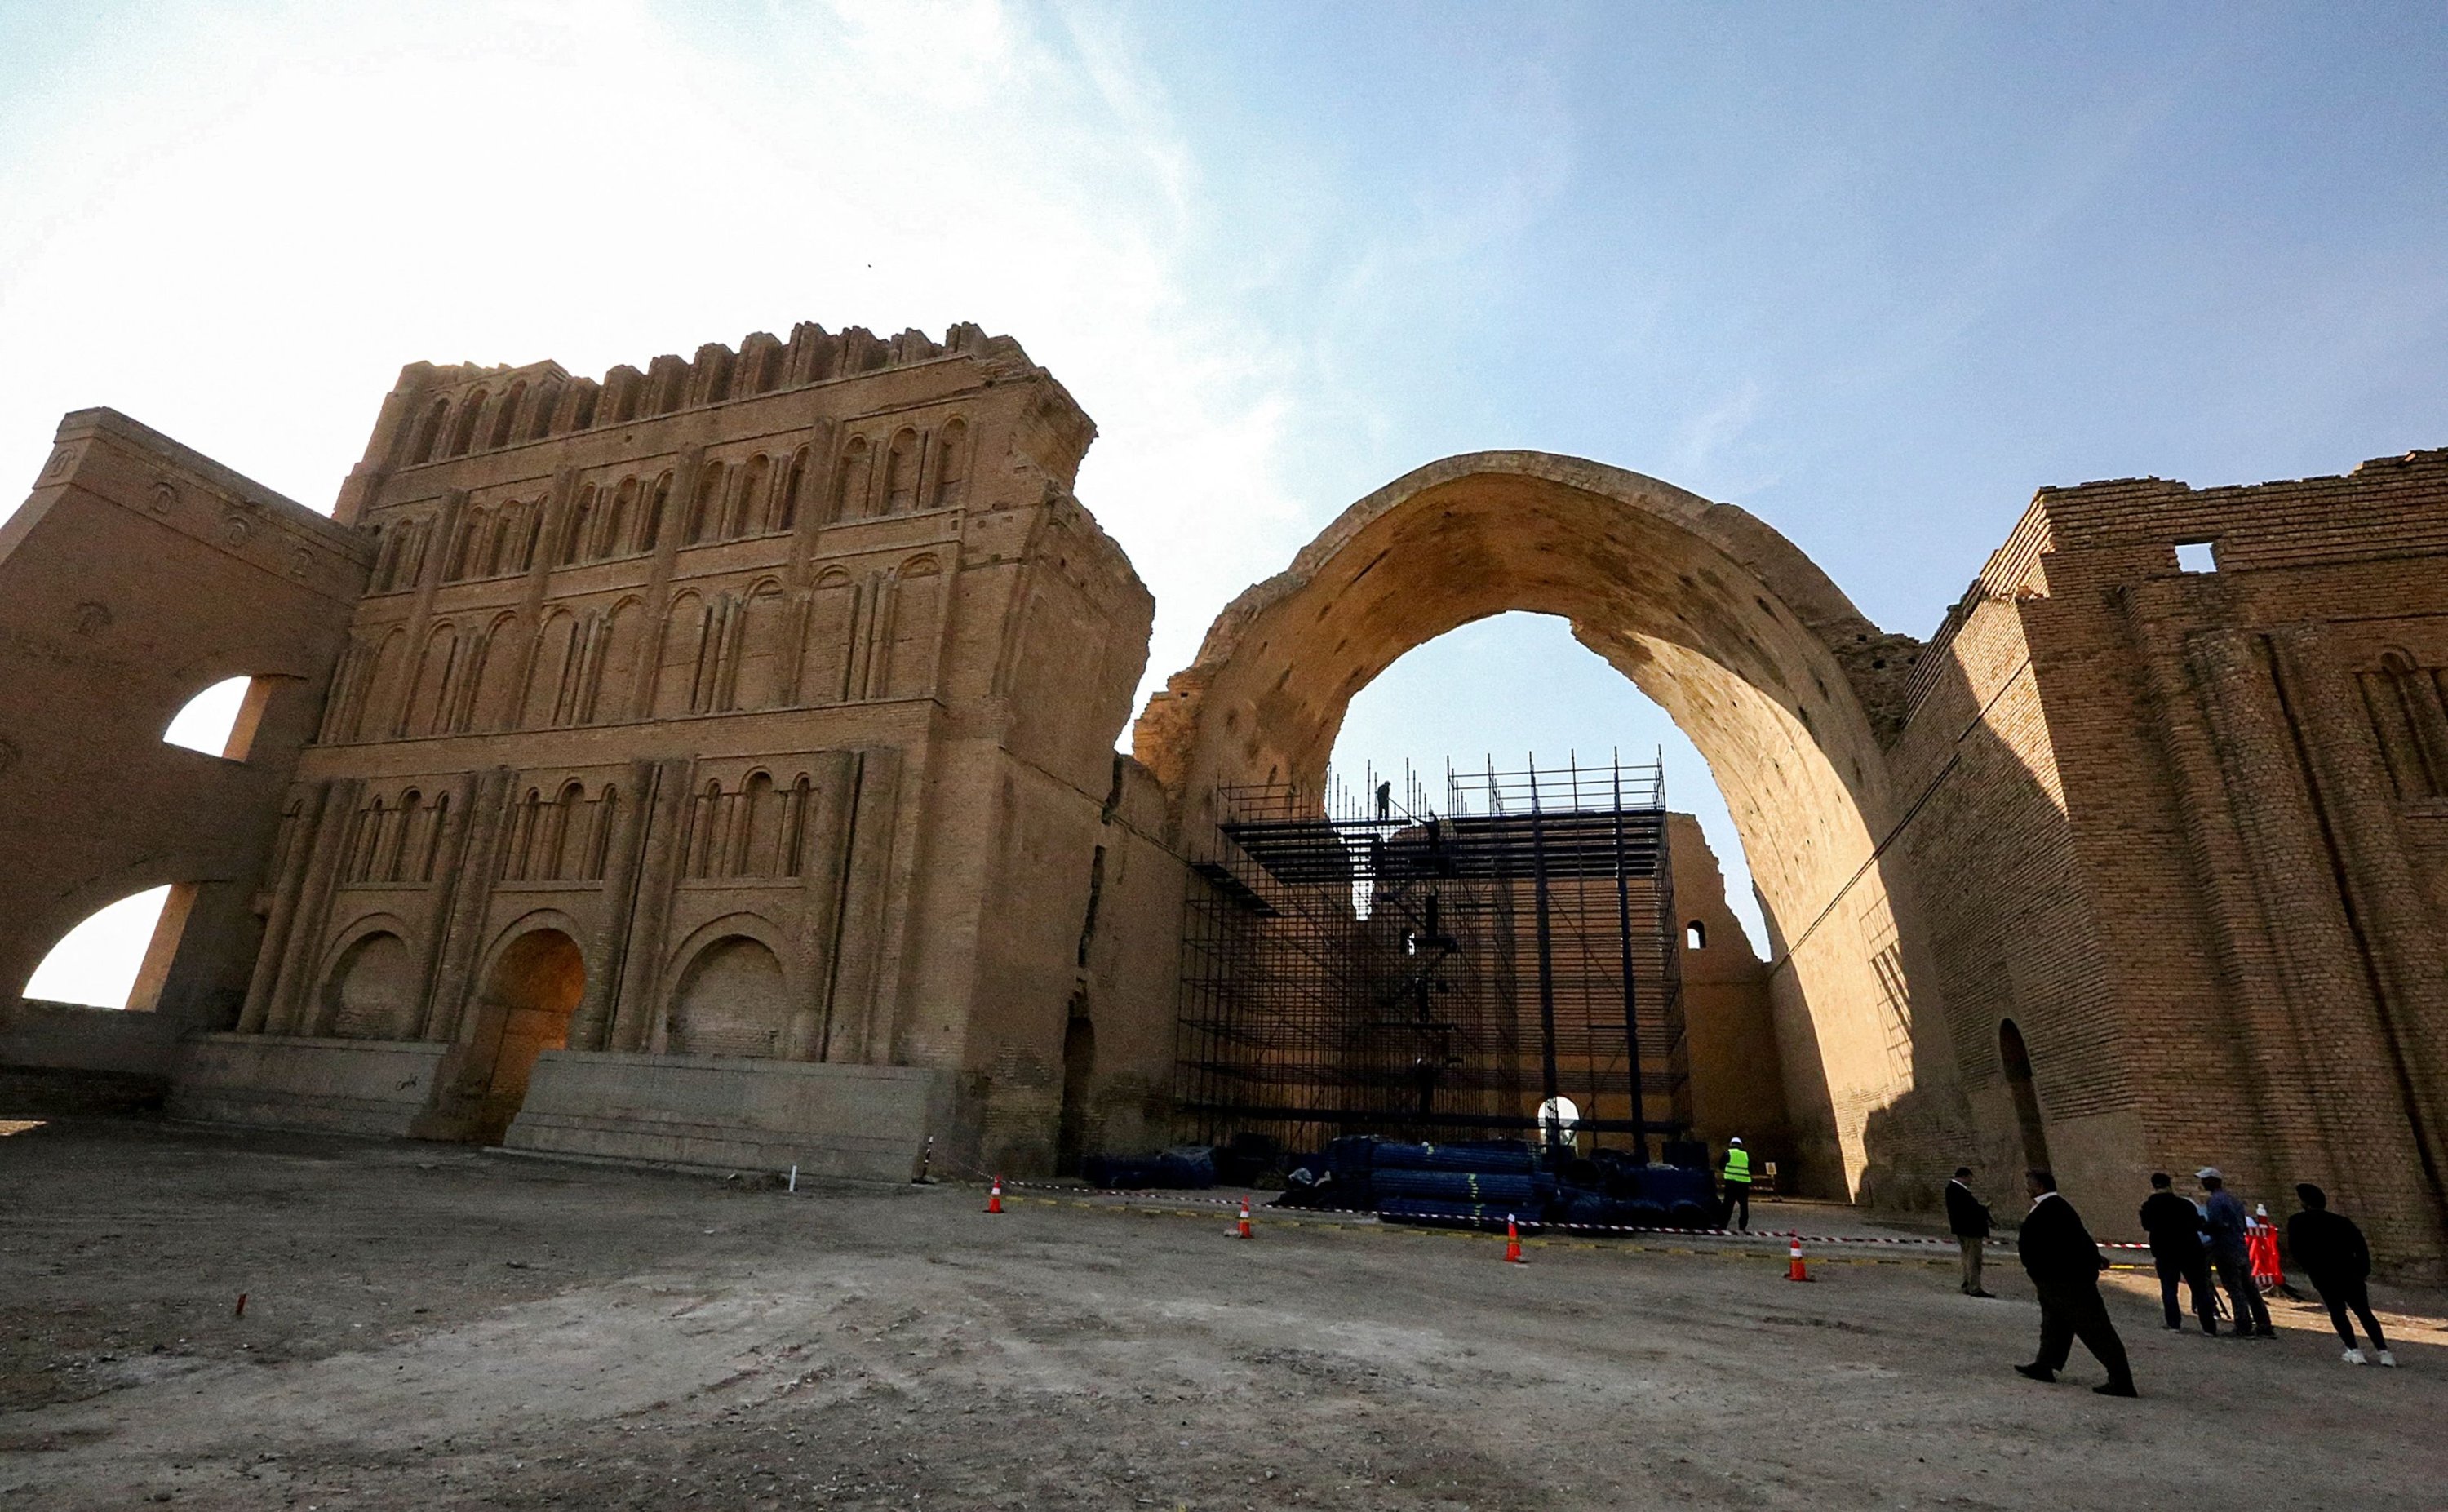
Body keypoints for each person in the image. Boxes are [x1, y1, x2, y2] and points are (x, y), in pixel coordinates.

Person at [2014, 1168, 2137, 1397]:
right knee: (2054, 1324)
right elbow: (2076, 1238)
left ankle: (2121, 1379)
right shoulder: (2055, 1208)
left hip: (2067, 1282)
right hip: (2055, 1280)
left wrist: (2091, 1260)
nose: (2027, 1188)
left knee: (2094, 1328)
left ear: (2040, 1186)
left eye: (2029, 1184)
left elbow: (2075, 1240)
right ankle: (2045, 1365)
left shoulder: (2053, 1208)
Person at [2287, 1184, 2397, 1367]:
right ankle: (2384, 1352)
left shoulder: (2298, 1221)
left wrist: (2311, 1267)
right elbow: (2361, 1247)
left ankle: (2354, 1350)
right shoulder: (2342, 1222)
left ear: (2304, 1203)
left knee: (2337, 1311)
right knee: (2364, 1313)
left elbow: (2296, 1250)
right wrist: (2362, 1270)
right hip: (2350, 1273)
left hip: (2323, 1274)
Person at [2198, 1168, 2275, 1338]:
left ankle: (2244, 1326)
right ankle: (2264, 1325)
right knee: (2250, 1288)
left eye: (2204, 1180)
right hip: (2239, 1247)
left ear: (2212, 1181)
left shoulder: (2215, 1201)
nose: (2202, 1183)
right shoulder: (2234, 1200)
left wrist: (2202, 1226)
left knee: (2235, 1288)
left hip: (2224, 1248)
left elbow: (2217, 1224)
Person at [2138, 1172, 2217, 1333]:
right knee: (2199, 1288)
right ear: (2170, 1185)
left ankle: (2174, 1323)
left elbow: (2147, 1226)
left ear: (2153, 1186)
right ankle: (2209, 1327)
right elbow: (2198, 1225)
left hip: (2165, 1252)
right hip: (2190, 1250)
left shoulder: (2149, 1206)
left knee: (2169, 1288)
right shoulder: (2184, 1204)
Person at [1945, 1167, 1995, 1297]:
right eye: (1970, 1177)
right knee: (1973, 1259)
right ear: (1965, 1176)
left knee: (1967, 1258)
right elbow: (1970, 1210)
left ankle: (1967, 1283)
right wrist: (1984, 1209)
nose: (1971, 1180)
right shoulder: (1959, 1191)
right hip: (1970, 1230)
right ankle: (1974, 1287)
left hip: (1962, 1229)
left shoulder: (1953, 1189)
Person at [1718, 1137, 1752, 1231]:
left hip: (1731, 1184)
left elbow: (1721, 1166)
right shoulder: (1746, 1155)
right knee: (1744, 1207)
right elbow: (1750, 1168)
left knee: (1728, 1206)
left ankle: (1723, 1225)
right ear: (1741, 1145)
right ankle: (1742, 1226)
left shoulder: (1727, 1153)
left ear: (1731, 1144)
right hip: (1744, 1184)